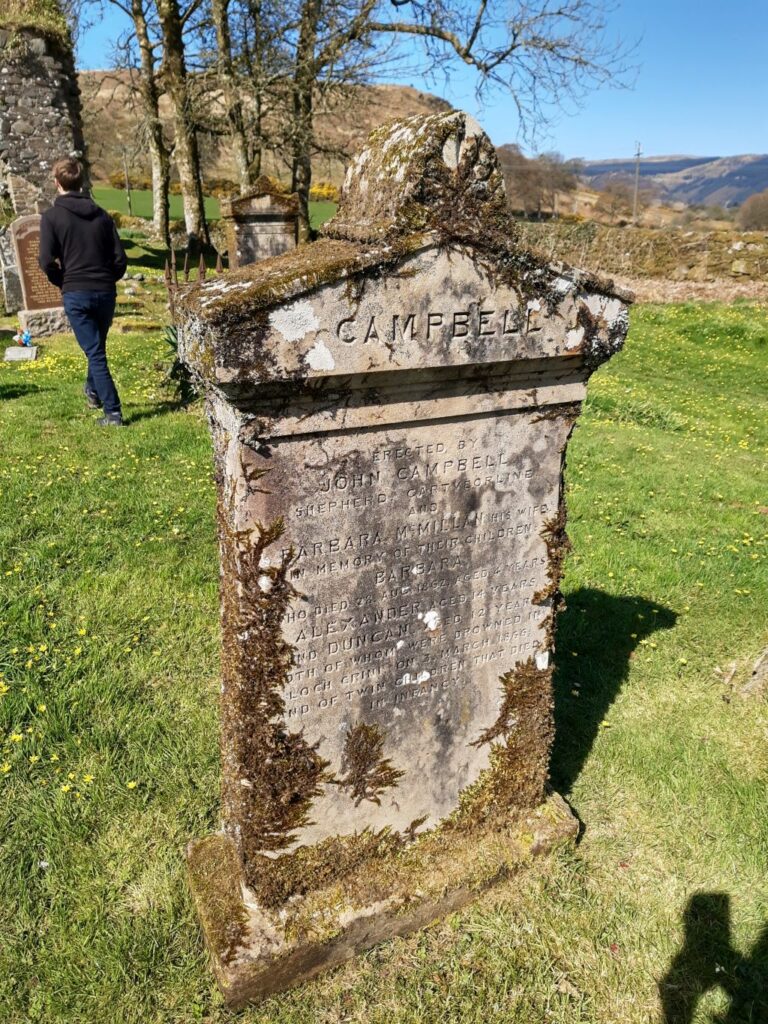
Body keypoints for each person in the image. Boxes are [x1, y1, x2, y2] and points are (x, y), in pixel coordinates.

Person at [39, 157, 128, 426]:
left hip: (76, 292)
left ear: (57, 183)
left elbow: (45, 260)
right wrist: (107, 280)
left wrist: (63, 282)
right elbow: (120, 260)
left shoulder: (52, 217)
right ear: (82, 182)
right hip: (105, 292)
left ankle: (112, 412)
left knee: (95, 352)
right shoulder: (102, 215)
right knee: (96, 347)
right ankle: (92, 391)